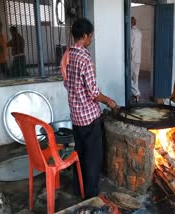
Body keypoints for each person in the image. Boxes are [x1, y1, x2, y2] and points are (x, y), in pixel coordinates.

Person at [62, 18, 117, 199]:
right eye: (91, 36)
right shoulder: (85, 58)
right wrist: (108, 101)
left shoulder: (68, 54)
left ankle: (79, 190)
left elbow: (66, 82)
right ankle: (91, 197)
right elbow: (93, 93)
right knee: (93, 159)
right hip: (89, 118)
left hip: (76, 116)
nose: (91, 40)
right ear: (84, 36)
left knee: (80, 154)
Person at [131, 16, 142, 101]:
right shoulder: (139, 32)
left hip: (132, 58)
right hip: (138, 57)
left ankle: (136, 93)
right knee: (135, 77)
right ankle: (136, 96)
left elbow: (131, 45)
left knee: (129, 78)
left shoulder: (131, 31)